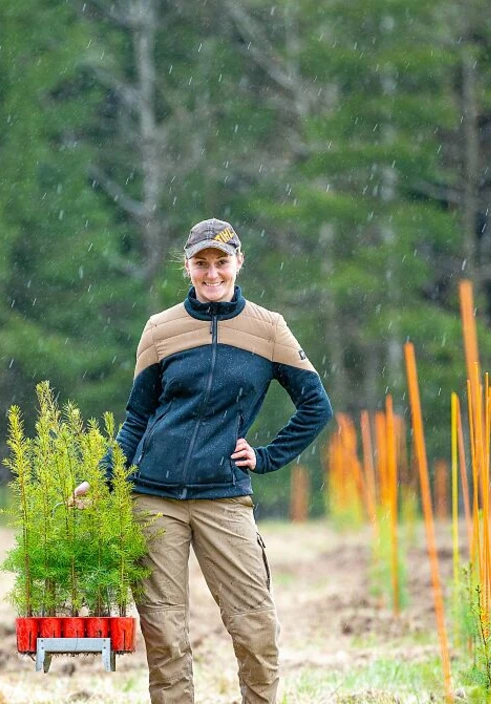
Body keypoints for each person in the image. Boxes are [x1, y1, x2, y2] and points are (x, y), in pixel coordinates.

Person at [76, 217, 332, 703]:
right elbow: (137, 419)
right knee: (165, 638)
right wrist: (104, 479)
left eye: (221, 262)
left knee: (255, 629)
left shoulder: (268, 328)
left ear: (239, 262)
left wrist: (266, 456)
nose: (211, 273)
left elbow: (316, 407)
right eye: (201, 264)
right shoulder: (160, 330)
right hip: (153, 498)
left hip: (224, 499)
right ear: (187, 267)